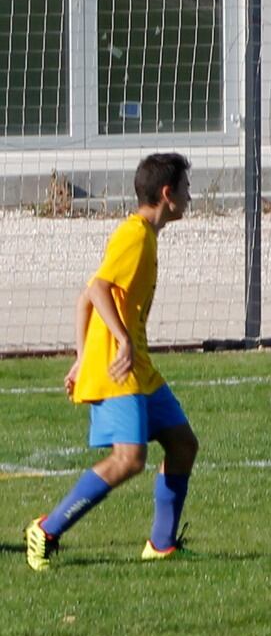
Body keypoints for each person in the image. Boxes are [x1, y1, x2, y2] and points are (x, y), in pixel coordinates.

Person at [26, 153, 198, 570]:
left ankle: (160, 545)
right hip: (119, 366)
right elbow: (99, 288)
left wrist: (80, 357)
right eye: (186, 189)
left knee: (182, 444)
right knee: (129, 458)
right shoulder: (134, 236)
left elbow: (86, 296)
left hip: (135, 367)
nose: (190, 197)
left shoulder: (143, 236)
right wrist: (115, 343)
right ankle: (47, 529)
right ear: (166, 193)